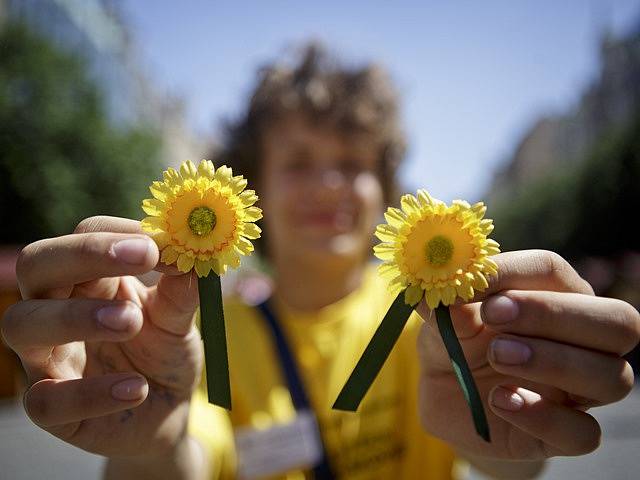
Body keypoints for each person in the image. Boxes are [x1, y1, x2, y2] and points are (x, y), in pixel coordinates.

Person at [2, 44, 639, 480]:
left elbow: (503, 458)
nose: (330, 183)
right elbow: (191, 455)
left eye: (355, 164)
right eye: (300, 162)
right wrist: (146, 447)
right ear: (254, 188)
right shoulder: (206, 343)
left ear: (387, 190)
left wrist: (516, 434)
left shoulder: (438, 326)